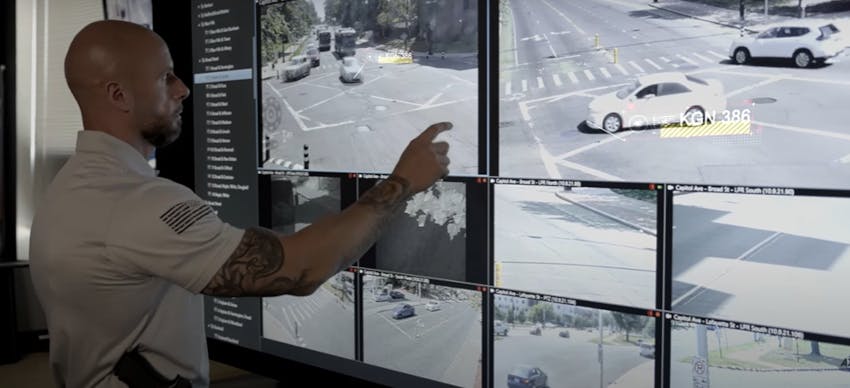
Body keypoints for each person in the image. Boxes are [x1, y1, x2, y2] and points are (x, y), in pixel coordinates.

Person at [28, 20, 451, 388]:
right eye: (165, 78)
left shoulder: (70, 187)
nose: (183, 89)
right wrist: (403, 182)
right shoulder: (134, 202)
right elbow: (299, 270)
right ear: (119, 95)